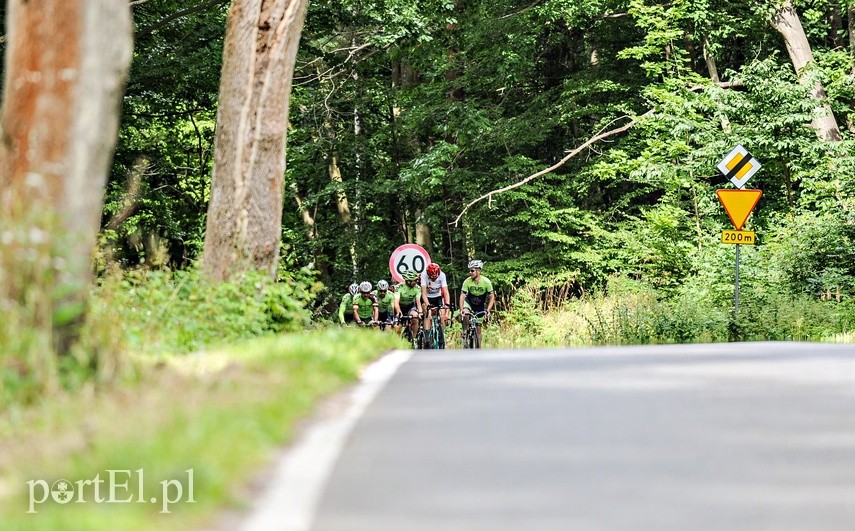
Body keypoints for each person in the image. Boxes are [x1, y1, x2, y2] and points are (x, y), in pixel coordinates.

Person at [459, 259, 495, 346]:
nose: (470, 272)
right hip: (469, 302)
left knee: (478, 329)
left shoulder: (486, 282)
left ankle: (478, 347)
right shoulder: (467, 281)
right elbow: (462, 296)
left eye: (472, 270)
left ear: (478, 271)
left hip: (480, 304)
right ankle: (464, 333)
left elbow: (492, 297)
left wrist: (488, 310)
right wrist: (461, 310)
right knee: (466, 314)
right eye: (470, 270)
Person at [421, 262, 451, 336]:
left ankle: (442, 335)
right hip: (427, 297)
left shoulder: (442, 275)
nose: (434, 279)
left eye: (435, 277)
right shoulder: (424, 275)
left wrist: (447, 305)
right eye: (432, 277)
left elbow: (446, 292)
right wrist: (428, 305)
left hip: (437, 296)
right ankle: (427, 338)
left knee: (442, 315)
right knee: (428, 314)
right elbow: (423, 294)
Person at [394, 270, 423, 340]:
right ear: (408, 281)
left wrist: (420, 312)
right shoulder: (399, 287)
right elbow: (396, 302)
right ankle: (397, 343)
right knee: (397, 327)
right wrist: (398, 311)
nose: (416, 282)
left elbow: (418, 302)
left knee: (415, 317)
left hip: (411, 306)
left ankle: (414, 338)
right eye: (414, 280)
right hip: (400, 307)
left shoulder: (417, 288)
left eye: (416, 280)